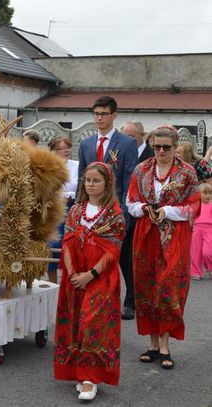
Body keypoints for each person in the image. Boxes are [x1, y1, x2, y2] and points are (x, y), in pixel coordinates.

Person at [127, 125, 199, 370]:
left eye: (166, 147)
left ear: (175, 147)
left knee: (169, 288)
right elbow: (131, 202)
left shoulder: (187, 172)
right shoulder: (141, 170)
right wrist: (145, 209)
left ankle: (166, 345)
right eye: (156, 146)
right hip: (146, 236)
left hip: (175, 236)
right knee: (147, 287)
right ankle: (153, 344)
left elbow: (194, 207)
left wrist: (167, 211)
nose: (160, 151)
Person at [54, 162, 125, 401]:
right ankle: (79, 372)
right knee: (75, 323)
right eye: (88, 180)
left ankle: (90, 379)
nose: (91, 185)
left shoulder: (114, 212)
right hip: (75, 277)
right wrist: (73, 273)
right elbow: (67, 242)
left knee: (92, 324)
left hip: (100, 278)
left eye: (97, 181)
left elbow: (113, 250)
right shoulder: (76, 210)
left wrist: (90, 275)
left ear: (107, 183)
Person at [78, 96, 137, 321]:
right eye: (96, 114)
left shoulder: (126, 143)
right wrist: (79, 208)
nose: (99, 118)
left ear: (114, 116)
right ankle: (94, 297)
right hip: (91, 210)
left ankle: (130, 301)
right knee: (91, 257)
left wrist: (122, 213)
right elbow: (83, 177)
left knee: (123, 259)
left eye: (104, 114)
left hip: (116, 210)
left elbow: (128, 179)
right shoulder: (85, 144)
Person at [118, 121, 154, 320]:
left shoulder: (149, 156)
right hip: (122, 212)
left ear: (142, 135)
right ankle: (132, 298)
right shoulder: (121, 151)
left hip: (142, 215)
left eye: (132, 136)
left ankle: (133, 301)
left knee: (135, 259)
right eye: (125, 135)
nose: (128, 140)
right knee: (124, 259)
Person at [46, 136, 79, 283]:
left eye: (68, 147)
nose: (65, 151)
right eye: (61, 148)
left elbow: (80, 187)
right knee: (53, 245)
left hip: (73, 208)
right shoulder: (48, 166)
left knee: (72, 245)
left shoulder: (77, 165)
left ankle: (69, 281)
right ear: (53, 151)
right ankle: (53, 282)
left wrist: (70, 195)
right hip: (55, 209)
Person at [191, 183, 212, 280]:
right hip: (197, 230)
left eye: (210, 193)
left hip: (209, 230)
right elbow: (191, 217)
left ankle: (210, 267)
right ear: (199, 194)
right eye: (205, 193)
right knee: (196, 252)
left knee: (207, 252)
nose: (208, 195)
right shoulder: (196, 205)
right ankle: (196, 272)